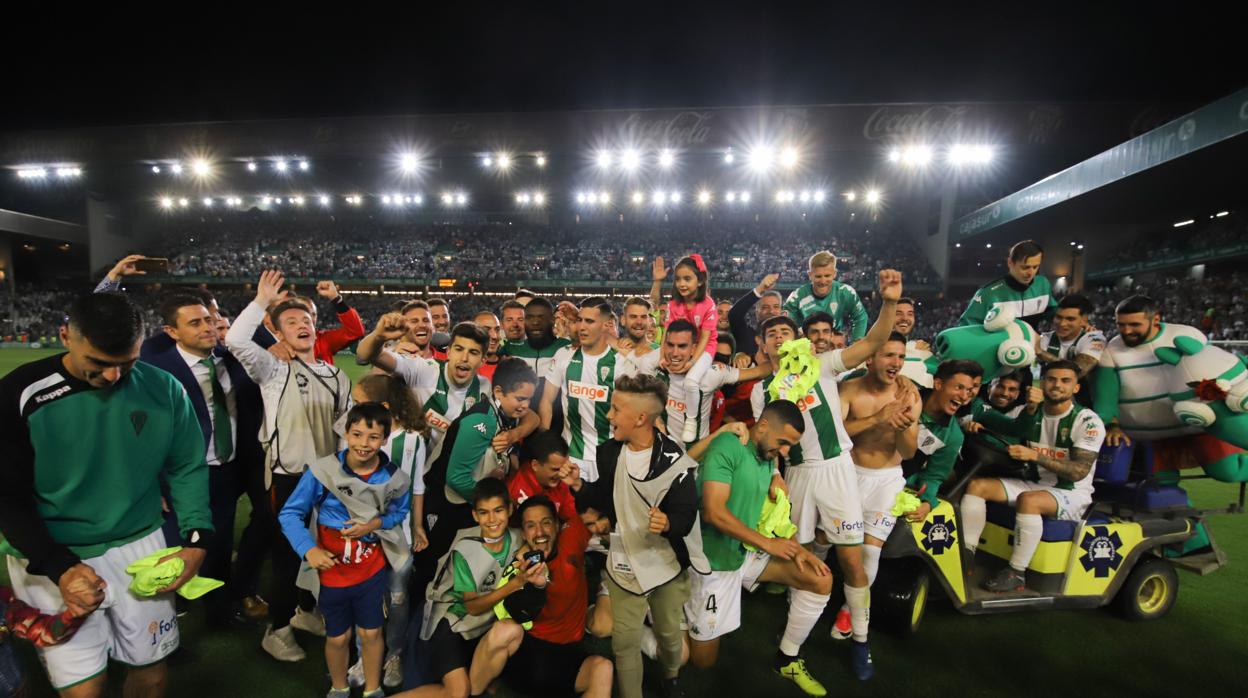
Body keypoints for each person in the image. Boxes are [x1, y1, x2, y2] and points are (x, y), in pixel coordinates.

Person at [0, 292, 212, 697]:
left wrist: (197, 539)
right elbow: (7, 497)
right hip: (50, 556)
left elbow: (187, 465)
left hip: (141, 548)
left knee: (151, 674)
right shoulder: (18, 395)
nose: (113, 377)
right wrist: (59, 566)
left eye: (126, 363)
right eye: (98, 363)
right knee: (85, 689)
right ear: (66, 336)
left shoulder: (164, 389)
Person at [750, 269, 904, 680]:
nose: (779, 337)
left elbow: (872, 343)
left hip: (837, 472)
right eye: (771, 334)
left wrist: (888, 303)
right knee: (799, 562)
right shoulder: (759, 390)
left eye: (785, 330)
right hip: (797, 476)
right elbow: (765, 445)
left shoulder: (822, 364)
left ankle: (861, 640)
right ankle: (795, 637)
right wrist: (774, 475)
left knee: (852, 561)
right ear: (761, 345)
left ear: (796, 337)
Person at [225, 270, 353, 662]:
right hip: (289, 478)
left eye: (308, 320)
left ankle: (303, 612)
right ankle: (276, 631)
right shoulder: (273, 369)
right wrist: (262, 301)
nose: (302, 325)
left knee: (318, 553)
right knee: (287, 556)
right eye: (292, 322)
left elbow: (347, 430)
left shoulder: (335, 374)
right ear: (278, 334)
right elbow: (234, 340)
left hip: (328, 480)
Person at [685, 400, 833, 697]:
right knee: (699, 662)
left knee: (820, 578)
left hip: (745, 552)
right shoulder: (728, 446)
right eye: (784, 443)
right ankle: (655, 617)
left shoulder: (768, 456)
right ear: (762, 426)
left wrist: (797, 549)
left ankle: (787, 659)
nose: (786, 452)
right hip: (712, 562)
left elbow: (769, 515)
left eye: (791, 446)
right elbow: (714, 511)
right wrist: (768, 544)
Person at [574, 375, 706, 698]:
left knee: (669, 636)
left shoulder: (674, 460)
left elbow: (687, 514)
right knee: (624, 643)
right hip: (623, 561)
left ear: (641, 418)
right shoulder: (608, 454)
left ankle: (671, 676)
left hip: (666, 565)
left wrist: (668, 523)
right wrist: (579, 486)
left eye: (616, 409)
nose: (609, 416)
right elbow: (606, 499)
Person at [145, 293, 266, 628]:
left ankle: (218, 610)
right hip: (180, 476)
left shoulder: (233, 359)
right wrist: (155, 484)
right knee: (174, 547)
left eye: (209, 320)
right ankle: (164, 619)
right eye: (195, 323)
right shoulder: (157, 371)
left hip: (227, 470)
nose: (208, 328)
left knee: (220, 542)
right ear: (171, 332)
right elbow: (146, 433)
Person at [278, 403, 412, 698]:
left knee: (372, 633)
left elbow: (399, 513)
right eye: (357, 434)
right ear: (346, 434)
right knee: (338, 637)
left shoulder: (395, 478)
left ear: (385, 439)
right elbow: (289, 514)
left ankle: (372, 689)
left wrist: (375, 523)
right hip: (332, 573)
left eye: (373, 437)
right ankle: (338, 688)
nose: (364, 444)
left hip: (371, 571)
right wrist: (308, 550)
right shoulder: (322, 472)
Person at [961, 361, 1105, 592]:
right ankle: (965, 556)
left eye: (1065, 381)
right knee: (977, 486)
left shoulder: (1087, 422)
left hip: (1072, 493)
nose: (1057, 385)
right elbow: (1003, 433)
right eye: (1051, 379)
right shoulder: (1025, 412)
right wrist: (978, 426)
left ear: (1076, 388)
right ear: (1042, 383)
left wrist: (1035, 456)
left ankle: (1016, 573)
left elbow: (1079, 471)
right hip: (1034, 483)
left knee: (1029, 500)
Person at [416, 359, 541, 614]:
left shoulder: (507, 412)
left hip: (470, 505)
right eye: (520, 398)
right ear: (498, 392)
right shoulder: (479, 424)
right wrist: (495, 510)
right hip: (448, 506)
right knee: (434, 569)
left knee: (459, 569)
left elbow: (534, 417)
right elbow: (457, 479)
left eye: (529, 399)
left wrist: (516, 434)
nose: (525, 405)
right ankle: (420, 627)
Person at [399, 479, 540, 698]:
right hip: (452, 623)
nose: (492, 520)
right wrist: (514, 585)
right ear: (475, 515)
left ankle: (483, 684)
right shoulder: (466, 548)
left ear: (510, 509)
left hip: (483, 624)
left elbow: (533, 547)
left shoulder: (517, 537)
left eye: (498, 510)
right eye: (484, 513)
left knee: (511, 634)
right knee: (458, 692)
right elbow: (472, 606)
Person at [829, 333, 920, 651]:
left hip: (886, 480)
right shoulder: (849, 390)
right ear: (870, 359)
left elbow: (909, 454)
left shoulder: (910, 396)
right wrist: (877, 418)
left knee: (869, 551)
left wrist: (902, 426)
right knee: (822, 539)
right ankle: (806, 594)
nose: (895, 363)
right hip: (848, 475)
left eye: (900, 357)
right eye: (888, 355)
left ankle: (848, 611)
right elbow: (836, 437)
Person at [469, 496, 612, 698]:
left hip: (566, 655)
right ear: (524, 533)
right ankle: (472, 692)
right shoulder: (520, 566)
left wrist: (582, 487)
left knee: (603, 668)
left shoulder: (571, 537)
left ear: (557, 525)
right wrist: (536, 586)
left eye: (546, 523)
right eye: (531, 526)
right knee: (504, 629)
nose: (540, 532)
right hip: (528, 651)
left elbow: (596, 509)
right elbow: (518, 612)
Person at [349, 374, 431, 689]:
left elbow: (418, 486)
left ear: (382, 408)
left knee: (397, 597)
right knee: (366, 597)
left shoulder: (412, 440)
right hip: (364, 538)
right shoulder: (354, 439)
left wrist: (418, 525)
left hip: (399, 537)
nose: (353, 408)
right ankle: (363, 657)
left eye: (359, 403)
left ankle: (394, 653)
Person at [538, 297, 640, 483]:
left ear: (605, 325)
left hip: (611, 455)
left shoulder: (621, 361)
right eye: (579, 320)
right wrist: (545, 440)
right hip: (571, 455)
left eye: (590, 321)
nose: (582, 327)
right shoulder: (564, 355)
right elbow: (546, 400)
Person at [356, 318, 493, 453]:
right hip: (414, 467)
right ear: (449, 352)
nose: (464, 358)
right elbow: (366, 355)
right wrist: (379, 337)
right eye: (459, 349)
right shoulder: (423, 370)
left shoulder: (485, 388)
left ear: (483, 360)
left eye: (473, 352)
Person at [629, 319, 770, 443]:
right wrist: (657, 420)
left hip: (694, 458)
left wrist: (746, 356)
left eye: (682, 346)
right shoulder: (651, 365)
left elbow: (759, 371)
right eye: (670, 345)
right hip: (659, 454)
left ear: (694, 349)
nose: (675, 352)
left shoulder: (712, 373)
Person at [651, 255, 719, 443]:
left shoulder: (708, 304)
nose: (682, 283)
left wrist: (691, 362)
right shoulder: (673, 304)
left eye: (687, 279)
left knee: (690, 382)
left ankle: (690, 420)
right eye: (678, 279)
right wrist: (662, 355)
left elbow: (705, 338)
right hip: (683, 347)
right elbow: (667, 331)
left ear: (700, 281)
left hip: (705, 348)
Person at [902, 360, 981, 520]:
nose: (964, 396)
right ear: (938, 384)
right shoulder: (905, 399)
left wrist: (927, 502)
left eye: (969, 390)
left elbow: (934, 476)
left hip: (900, 487)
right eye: (959, 387)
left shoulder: (953, 435)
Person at [958, 240, 1056, 327]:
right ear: (1010, 263)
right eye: (1025, 267)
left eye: (1035, 267)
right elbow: (965, 327)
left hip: (1032, 346)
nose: (1031, 273)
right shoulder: (987, 293)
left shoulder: (1043, 284)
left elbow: (1054, 313)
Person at [782, 251, 869, 341]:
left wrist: (855, 343)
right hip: (807, 347)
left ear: (834, 273)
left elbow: (860, 317)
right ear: (810, 275)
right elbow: (784, 324)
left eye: (827, 276)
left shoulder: (846, 292)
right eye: (818, 276)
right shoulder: (797, 296)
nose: (823, 281)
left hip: (834, 346)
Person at [507, 429, 579, 519]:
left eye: (563, 468)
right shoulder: (514, 489)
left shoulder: (561, 481)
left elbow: (574, 518)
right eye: (555, 469)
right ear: (535, 465)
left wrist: (576, 484)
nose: (561, 474)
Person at [727, 273, 784, 360]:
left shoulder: (789, 337)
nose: (771, 311)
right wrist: (761, 288)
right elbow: (734, 314)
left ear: (781, 311)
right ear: (757, 312)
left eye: (776, 307)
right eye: (765, 307)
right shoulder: (746, 335)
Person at [894, 297, 933, 388]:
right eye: (898, 314)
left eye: (910, 314)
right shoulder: (872, 348)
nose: (905, 318)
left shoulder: (920, 350)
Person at [473, 311, 503, 380]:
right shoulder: (463, 366)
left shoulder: (511, 366)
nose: (494, 336)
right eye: (486, 330)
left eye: (497, 330)